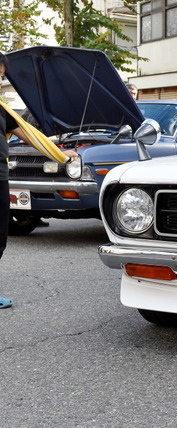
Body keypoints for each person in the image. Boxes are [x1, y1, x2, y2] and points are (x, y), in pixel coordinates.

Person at [0, 53, 77, 309]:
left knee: (0, 237)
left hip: (0, 177)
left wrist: (58, 154)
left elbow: (30, 135)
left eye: (1, 76)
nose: (0, 81)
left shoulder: (2, 109)